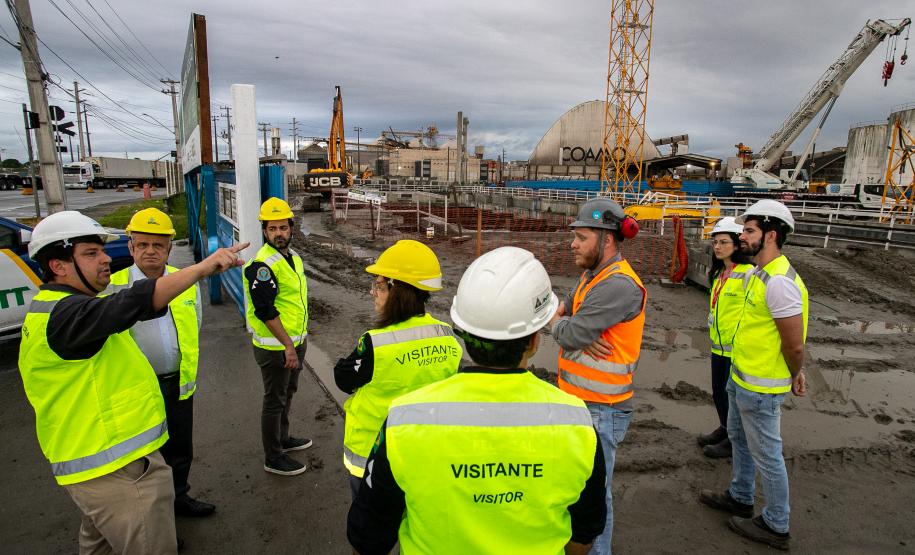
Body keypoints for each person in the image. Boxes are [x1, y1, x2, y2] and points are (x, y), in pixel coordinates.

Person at [348, 246, 607, 555]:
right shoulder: (577, 424)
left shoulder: (404, 421)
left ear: (465, 334)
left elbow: (369, 537)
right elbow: (584, 535)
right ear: (535, 340)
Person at [18, 210, 245, 554]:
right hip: (116, 473)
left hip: (103, 465)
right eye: (91, 254)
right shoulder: (66, 315)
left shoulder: (65, 307)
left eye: (102, 251)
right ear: (58, 266)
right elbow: (135, 301)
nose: (106, 259)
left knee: (99, 546)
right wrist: (202, 268)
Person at [699, 200, 808, 551]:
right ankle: (740, 495)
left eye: (749, 231)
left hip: (762, 386)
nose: (741, 236)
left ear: (770, 235)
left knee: (768, 456)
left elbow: (793, 345)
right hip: (741, 376)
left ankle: (777, 524)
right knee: (740, 440)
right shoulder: (760, 275)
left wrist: (797, 373)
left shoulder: (779, 282)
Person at [549, 197, 646, 555]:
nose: (572, 243)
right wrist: (572, 327)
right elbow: (563, 312)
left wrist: (570, 329)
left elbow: (567, 328)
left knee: (595, 495)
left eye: (582, 236)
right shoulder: (592, 275)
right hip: (581, 402)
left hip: (602, 409)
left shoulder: (618, 285)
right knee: (579, 488)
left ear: (606, 239)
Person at [105, 208, 215, 517]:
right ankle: (156, 516)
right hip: (136, 389)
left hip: (178, 383)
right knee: (144, 456)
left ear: (169, 248)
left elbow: (196, 323)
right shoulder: (113, 287)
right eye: (142, 245)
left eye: (158, 245)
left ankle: (179, 497)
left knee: (180, 449)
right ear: (131, 247)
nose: (150, 251)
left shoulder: (186, 283)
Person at [334, 240, 462, 498]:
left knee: (372, 531)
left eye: (379, 286)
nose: (374, 292)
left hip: (373, 459)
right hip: (423, 456)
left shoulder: (375, 343)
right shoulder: (448, 336)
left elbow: (343, 378)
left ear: (397, 292)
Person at [243, 197, 312, 476]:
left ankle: (283, 439)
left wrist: (298, 340)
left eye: (282, 228)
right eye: (272, 229)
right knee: (274, 400)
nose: (278, 234)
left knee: (287, 393)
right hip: (277, 348)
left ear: (291, 228)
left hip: (295, 342)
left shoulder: (293, 258)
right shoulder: (262, 266)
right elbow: (265, 311)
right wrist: (288, 346)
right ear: (264, 231)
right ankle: (273, 457)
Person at [698, 216, 754, 459]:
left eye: (723, 242)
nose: (717, 247)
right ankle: (725, 427)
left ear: (737, 244)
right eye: (715, 242)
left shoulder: (749, 273)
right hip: (718, 347)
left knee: (732, 397)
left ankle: (734, 441)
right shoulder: (719, 272)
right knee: (718, 393)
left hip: (737, 350)